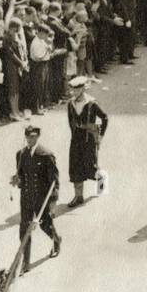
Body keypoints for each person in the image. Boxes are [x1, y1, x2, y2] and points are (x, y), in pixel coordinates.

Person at [13, 124, 61, 269]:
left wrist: (53, 201)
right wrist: (17, 180)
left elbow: (54, 181)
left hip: (42, 199)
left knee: (45, 225)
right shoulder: (20, 154)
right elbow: (20, 175)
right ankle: (25, 262)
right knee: (24, 230)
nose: (29, 139)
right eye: (27, 136)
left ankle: (56, 240)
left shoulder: (46, 155)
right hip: (26, 198)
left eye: (32, 137)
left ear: (38, 137)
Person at [66, 76, 108, 206]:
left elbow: (105, 118)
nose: (74, 92)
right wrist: (74, 135)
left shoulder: (91, 103)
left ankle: (102, 178)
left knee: (90, 166)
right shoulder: (70, 104)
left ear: (83, 89)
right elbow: (71, 121)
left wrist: (100, 136)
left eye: (77, 90)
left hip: (88, 138)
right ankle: (78, 196)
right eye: (73, 90)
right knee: (75, 166)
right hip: (76, 139)